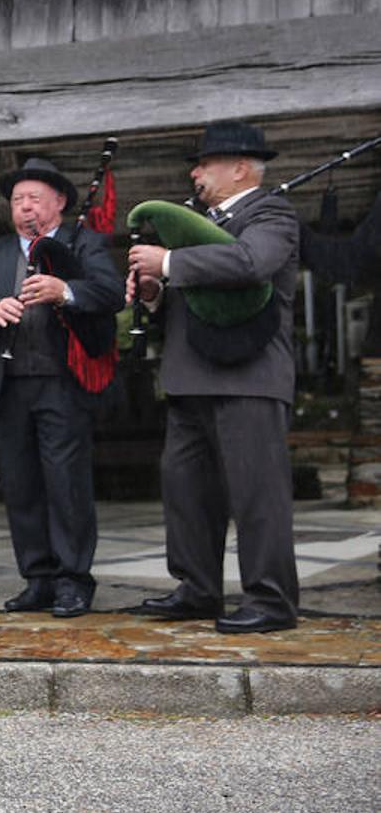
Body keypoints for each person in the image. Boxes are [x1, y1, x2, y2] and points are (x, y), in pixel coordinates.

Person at [128, 120, 300, 634]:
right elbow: (190, 298)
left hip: (249, 376)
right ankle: (197, 588)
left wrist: (171, 260)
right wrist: (155, 289)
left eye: (205, 164)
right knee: (185, 490)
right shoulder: (192, 221)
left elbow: (251, 263)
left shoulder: (272, 213)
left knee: (257, 494)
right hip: (189, 376)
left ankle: (271, 600)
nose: (195, 172)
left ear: (241, 168)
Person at [0, 158, 123, 618]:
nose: (25, 206)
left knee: (65, 483)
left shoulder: (84, 242)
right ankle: (37, 578)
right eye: (17, 200)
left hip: (61, 381)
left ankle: (74, 580)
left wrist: (66, 291)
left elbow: (112, 294)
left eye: (35, 198)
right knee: (20, 486)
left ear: (58, 203)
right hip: (7, 385)